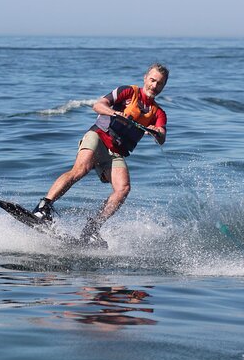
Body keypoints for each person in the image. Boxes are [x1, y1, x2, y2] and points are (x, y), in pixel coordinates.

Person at [28, 63, 169, 246]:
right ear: (145, 78)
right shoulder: (128, 92)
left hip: (116, 152)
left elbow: (162, 137)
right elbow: (98, 105)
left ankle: (92, 228)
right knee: (81, 169)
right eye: (152, 80)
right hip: (99, 137)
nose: (154, 86)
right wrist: (115, 113)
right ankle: (43, 208)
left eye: (160, 83)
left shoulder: (158, 113)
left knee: (123, 189)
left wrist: (156, 132)